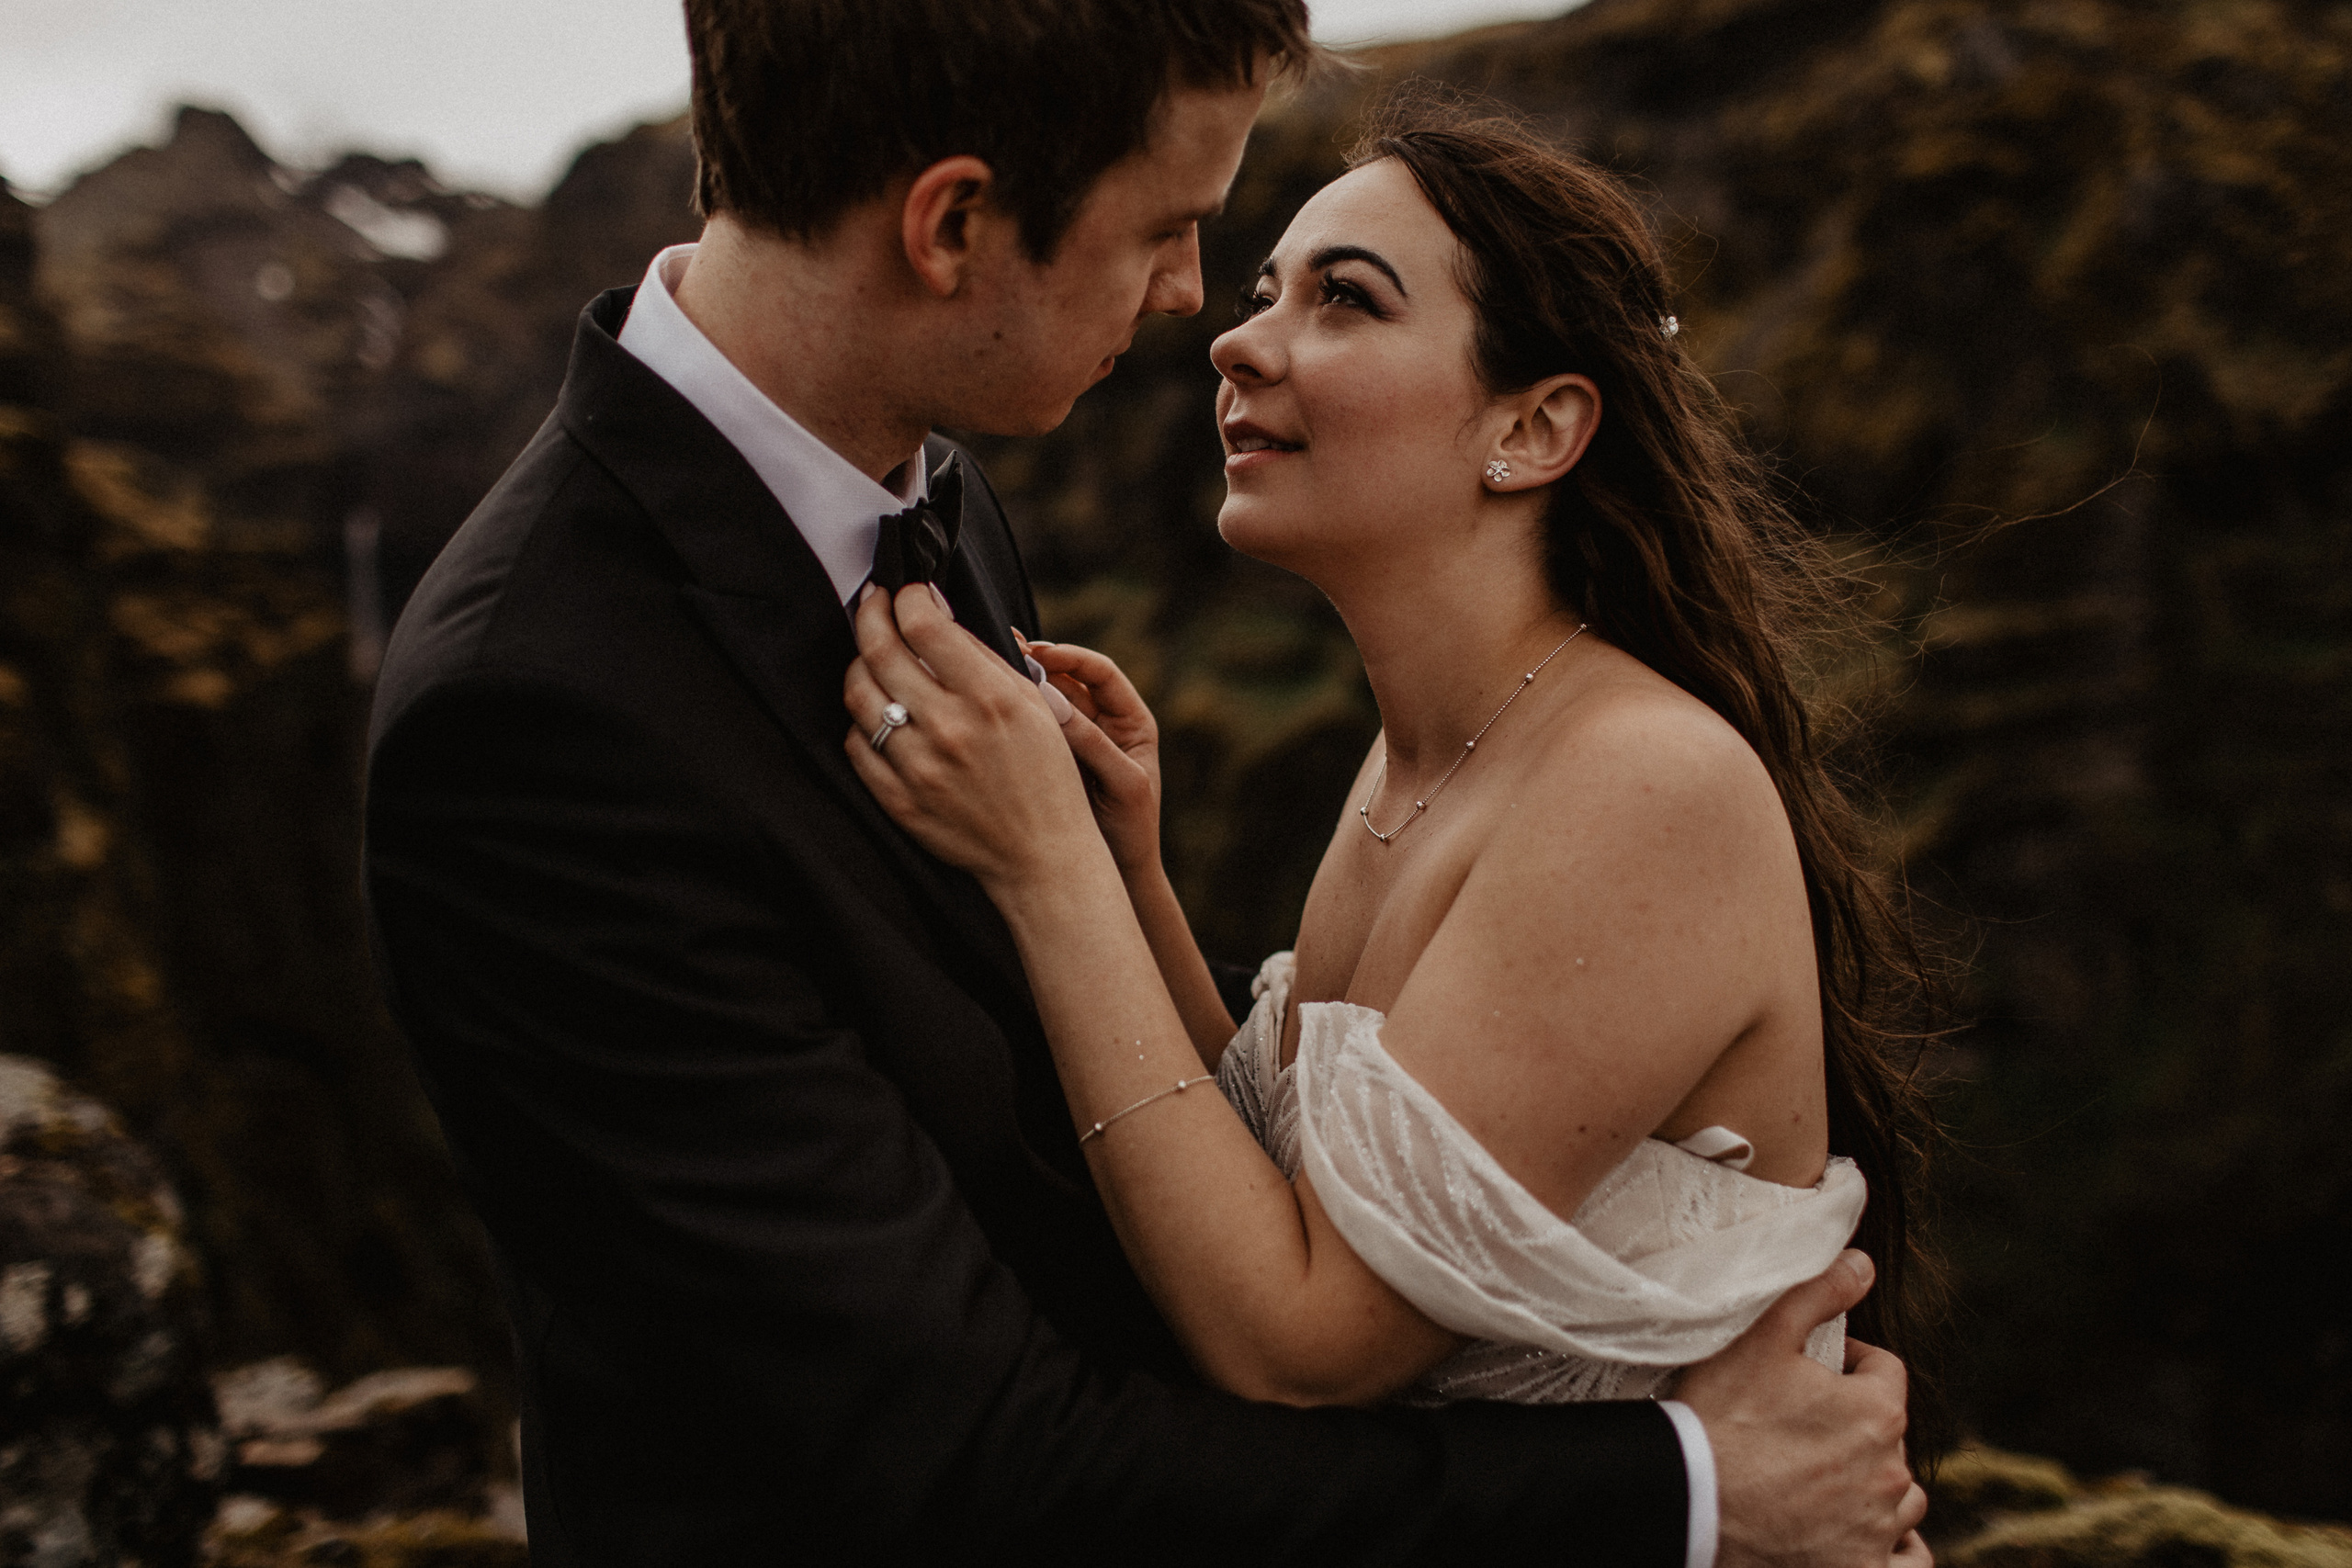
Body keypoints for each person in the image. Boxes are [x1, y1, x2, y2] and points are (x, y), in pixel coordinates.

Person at [363, 1, 1926, 1562]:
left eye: (1336, 296)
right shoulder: (535, 710)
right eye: (1177, 232)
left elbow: (1219, 1217)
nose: (1199, 306)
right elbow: (955, 1452)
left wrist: (1096, 876)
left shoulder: (940, 509)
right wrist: (1690, 1491)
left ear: (1537, 427)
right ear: (954, 222)